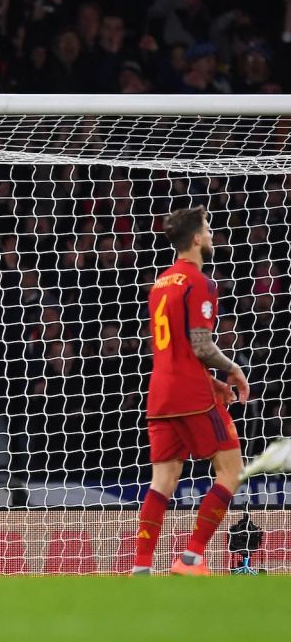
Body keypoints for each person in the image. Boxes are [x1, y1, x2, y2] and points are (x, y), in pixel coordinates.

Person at [133, 205, 250, 576]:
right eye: (209, 228)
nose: (213, 235)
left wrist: (211, 380)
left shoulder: (160, 283)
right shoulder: (200, 282)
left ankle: (140, 568)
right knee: (230, 470)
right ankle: (192, 557)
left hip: (160, 393)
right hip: (190, 396)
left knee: (163, 480)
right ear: (197, 238)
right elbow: (200, 345)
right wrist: (232, 370)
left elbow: (174, 349)